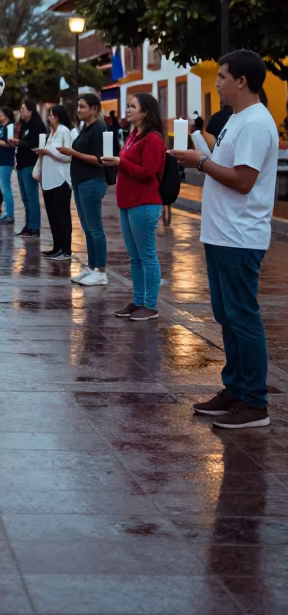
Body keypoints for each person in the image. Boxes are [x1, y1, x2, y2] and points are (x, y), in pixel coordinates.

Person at [172, 50, 278, 429]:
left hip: (240, 235)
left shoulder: (254, 124)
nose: (216, 82)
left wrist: (199, 162)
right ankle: (235, 389)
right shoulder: (236, 119)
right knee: (226, 315)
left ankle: (254, 402)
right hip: (221, 233)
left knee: (242, 316)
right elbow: (227, 166)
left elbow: (243, 180)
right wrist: (203, 156)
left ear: (241, 81)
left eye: (221, 76)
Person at [103, 92, 166, 320]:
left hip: (144, 203)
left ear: (145, 112)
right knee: (134, 256)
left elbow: (148, 172)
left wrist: (122, 162)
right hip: (127, 203)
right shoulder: (133, 136)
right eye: (128, 106)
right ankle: (138, 300)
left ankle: (150, 305)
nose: (128, 110)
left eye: (132, 106)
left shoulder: (153, 139)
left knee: (147, 255)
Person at [57, 93, 108, 286]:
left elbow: (100, 159)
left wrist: (72, 153)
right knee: (87, 229)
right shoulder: (85, 129)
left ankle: (101, 271)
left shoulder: (100, 129)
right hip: (80, 182)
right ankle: (91, 267)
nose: (78, 110)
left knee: (95, 228)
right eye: (78, 107)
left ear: (94, 108)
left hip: (92, 182)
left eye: (83, 107)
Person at [33, 105, 74, 261]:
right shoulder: (51, 134)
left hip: (61, 179)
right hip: (49, 180)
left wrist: (48, 152)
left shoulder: (64, 131)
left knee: (62, 215)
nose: (48, 118)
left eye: (50, 115)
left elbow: (67, 156)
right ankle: (57, 247)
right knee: (53, 215)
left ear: (57, 117)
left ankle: (66, 249)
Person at [7, 100, 45, 237]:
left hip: (30, 163)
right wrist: (15, 143)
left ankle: (35, 226)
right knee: (25, 197)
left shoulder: (37, 125)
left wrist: (20, 143)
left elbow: (35, 144)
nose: (21, 111)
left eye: (23, 109)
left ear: (30, 111)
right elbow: (22, 142)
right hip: (21, 163)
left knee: (32, 196)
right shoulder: (23, 125)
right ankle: (28, 225)